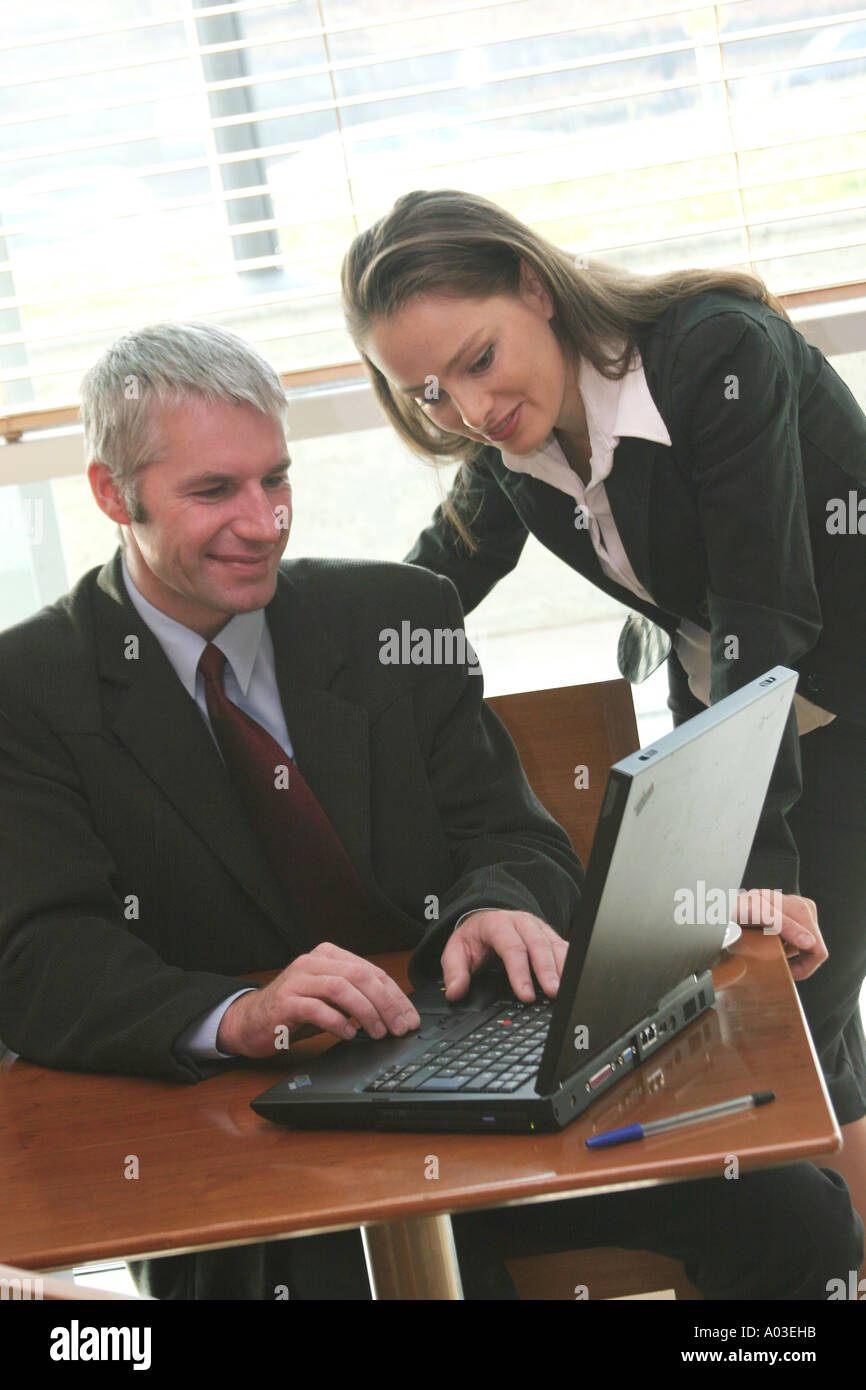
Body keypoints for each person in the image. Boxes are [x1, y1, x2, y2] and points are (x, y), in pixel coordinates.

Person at [0, 321, 859, 1300]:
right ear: (113, 493)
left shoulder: (393, 614)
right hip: (238, 1141)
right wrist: (234, 1015)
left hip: (471, 1086)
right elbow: (40, 956)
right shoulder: (30, 688)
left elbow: (510, 833)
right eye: (212, 491)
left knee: (793, 1215)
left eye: (274, 480)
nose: (263, 521)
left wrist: (500, 903)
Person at [341, 188, 866, 1224]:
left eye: (478, 358)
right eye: (430, 392)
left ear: (534, 287)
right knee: (774, 1025)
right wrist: (305, 667)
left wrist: (751, 877)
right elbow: (431, 585)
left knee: (788, 1010)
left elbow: (764, 613)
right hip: (737, 704)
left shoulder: (717, 355)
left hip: (833, 687)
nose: (469, 409)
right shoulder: (515, 448)